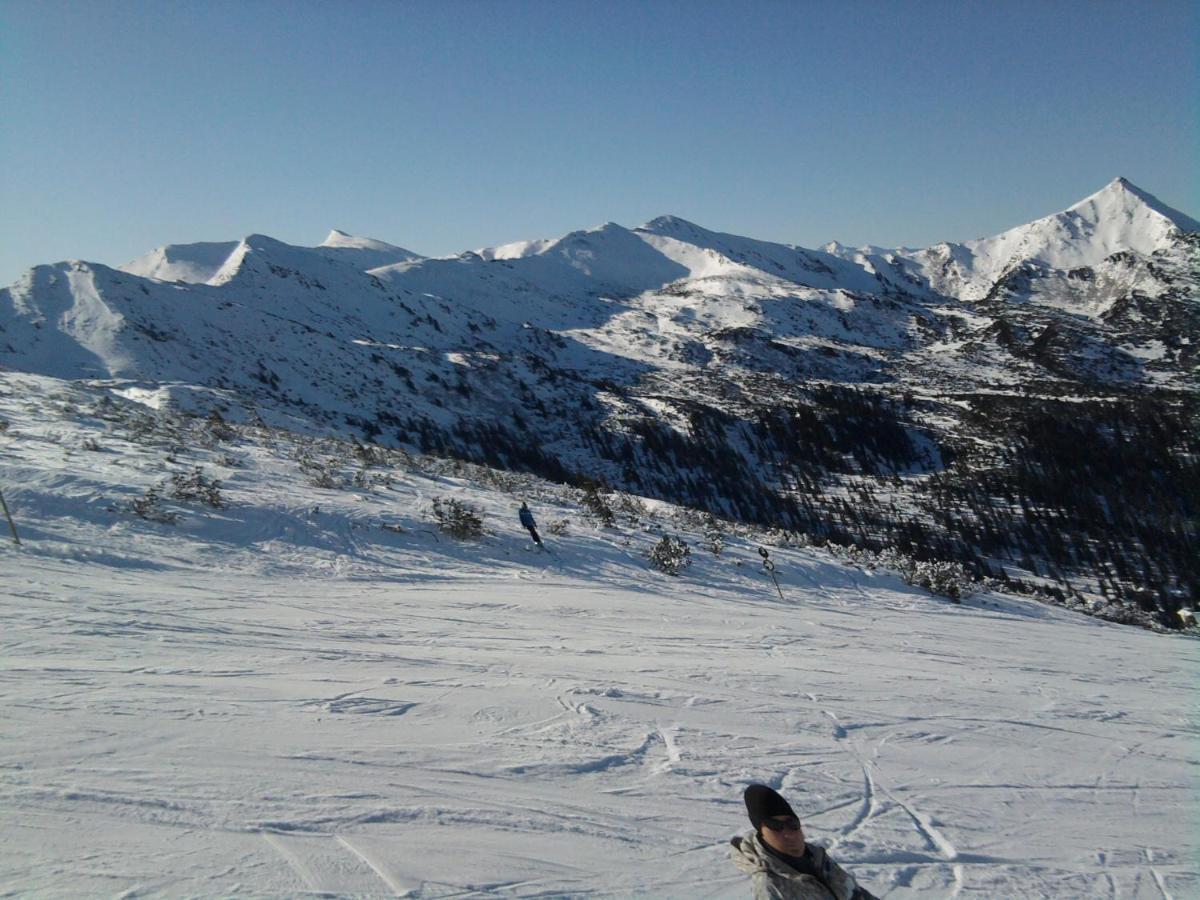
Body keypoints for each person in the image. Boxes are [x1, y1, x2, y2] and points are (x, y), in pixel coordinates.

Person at [730, 784, 877, 900]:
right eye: (775, 826)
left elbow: (855, 894)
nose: (788, 834)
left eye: (792, 823)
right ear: (762, 832)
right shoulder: (771, 886)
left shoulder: (817, 858)